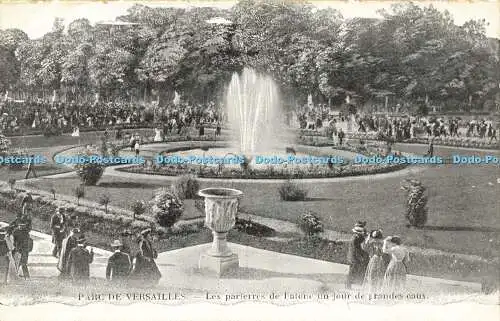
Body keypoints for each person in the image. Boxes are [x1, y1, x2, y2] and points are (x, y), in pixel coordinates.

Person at [346, 221, 369, 290]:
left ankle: (349, 284)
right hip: (354, 256)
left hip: (353, 256)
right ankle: (348, 285)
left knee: (353, 270)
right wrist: (360, 256)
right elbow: (356, 249)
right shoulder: (355, 239)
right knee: (352, 270)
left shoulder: (356, 237)